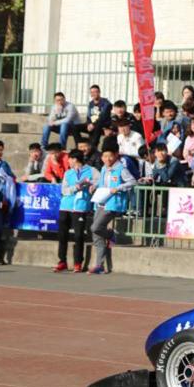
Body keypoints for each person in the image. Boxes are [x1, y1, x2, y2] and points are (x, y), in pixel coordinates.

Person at [88, 142, 136, 275]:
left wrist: (119, 188)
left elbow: (132, 181)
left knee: (95, 228)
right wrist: (94, 186)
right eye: (104, 156)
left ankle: (110, 234)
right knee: (96, 234)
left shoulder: (121, 169)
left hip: (113, 203)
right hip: (101, 201)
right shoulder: (104, 168)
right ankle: (100, 265)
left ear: (115, 155)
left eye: (110, 156)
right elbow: (102, 183)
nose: (107, 159)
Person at [56, 150, 97, 272]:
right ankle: (62, 261)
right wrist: (76, 187)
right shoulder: (68, 173)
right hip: (65, 206)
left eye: (69, 159)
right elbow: (64, 190)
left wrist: (92, 185)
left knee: (79, 235)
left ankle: (78, 262)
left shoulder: (91, 170)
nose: (68, 161)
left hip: (80, 207)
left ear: (75, 159)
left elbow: (100, 181)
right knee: (62, 235)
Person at [76, 84, 112, 150]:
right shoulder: (91, 103)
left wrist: (93, 124)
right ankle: (80, 146)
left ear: (99, 92)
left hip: (102, 125)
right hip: (91, 124)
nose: (94, 94)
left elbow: (103, 117)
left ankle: (93, 148)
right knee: (75, 127)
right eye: (92, 92)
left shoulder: (106, 103)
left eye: (95, 92)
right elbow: (88, 116)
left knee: (98, 126)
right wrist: (88, 124)